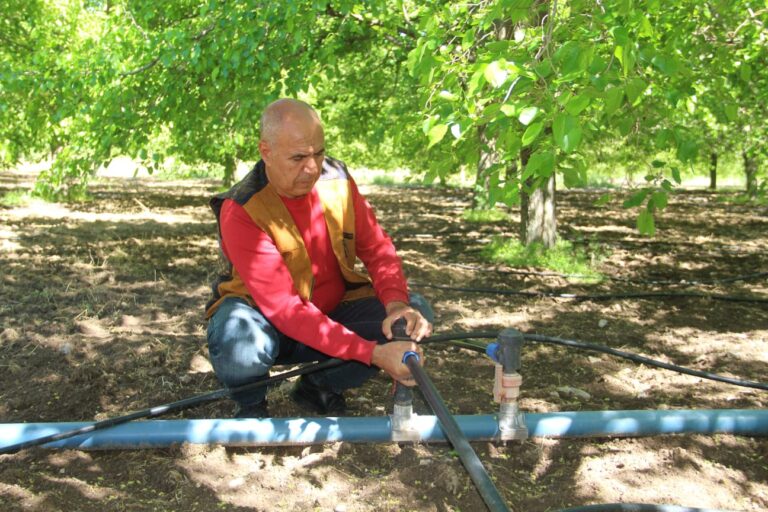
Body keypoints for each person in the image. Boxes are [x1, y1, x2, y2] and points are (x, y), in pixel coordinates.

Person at [205, 98, 433, 418]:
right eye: (298, 157)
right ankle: (251, 403)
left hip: (331, 314)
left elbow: (378, 249)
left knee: (413, 316)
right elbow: (285, 310)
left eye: (319, 153)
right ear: (265, 151)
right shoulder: (242, 208)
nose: (312, 167)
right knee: (238, 337)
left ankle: (318, 385)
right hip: (265, 323)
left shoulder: (336, 180)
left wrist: (397, 304)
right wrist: (374, 354)